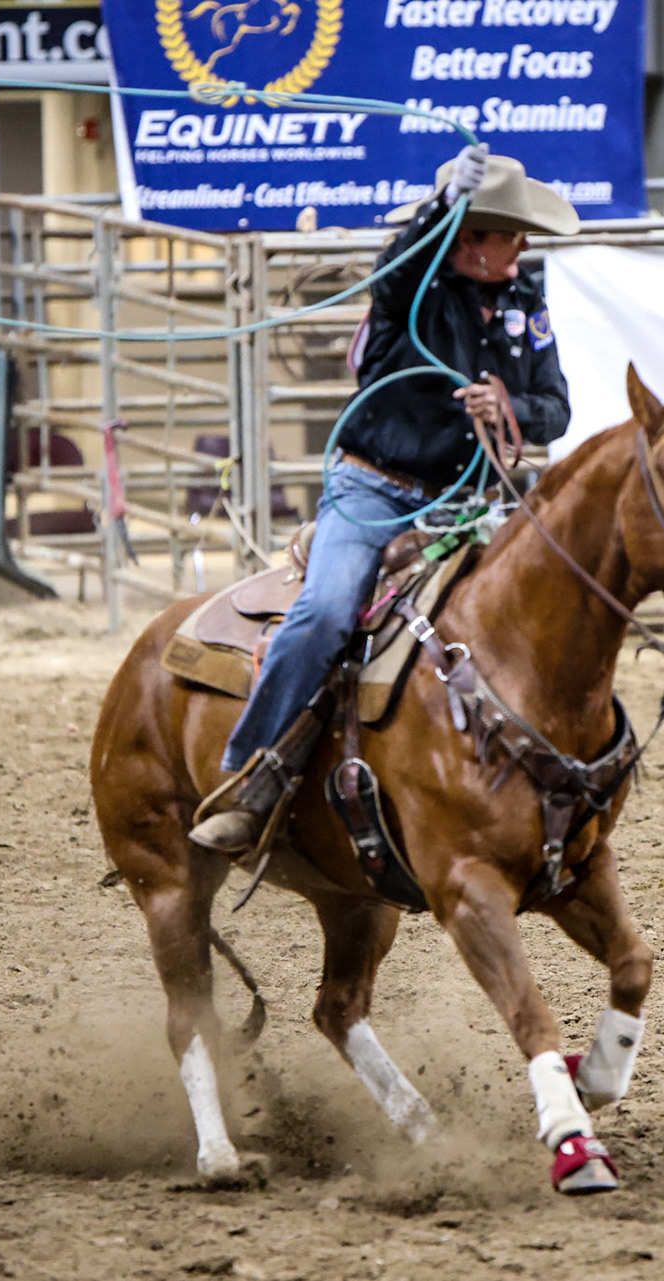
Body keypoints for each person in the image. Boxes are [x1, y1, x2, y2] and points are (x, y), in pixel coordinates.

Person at [190, 147, 580, 853]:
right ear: (467, 239)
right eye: (509, 233)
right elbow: (398, 269)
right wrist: (439, 209)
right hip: (377, 492)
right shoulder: (413, 296)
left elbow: (556, 407)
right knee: (327, 613)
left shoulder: (526, 300)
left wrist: (508, 403)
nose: (523, 246)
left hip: (470, 502)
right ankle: (249, 774)